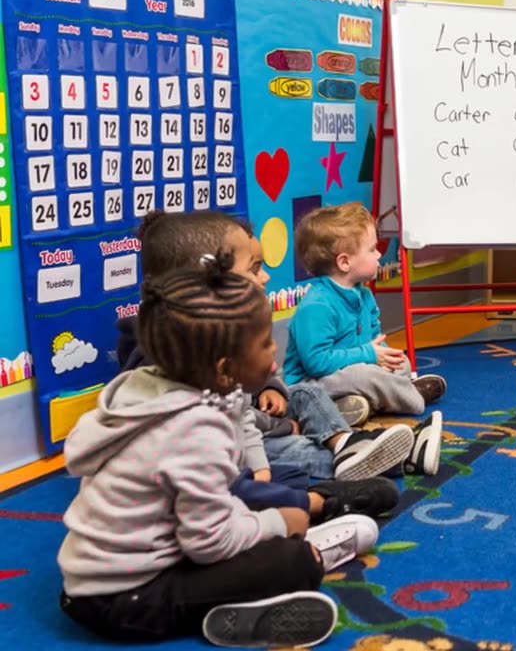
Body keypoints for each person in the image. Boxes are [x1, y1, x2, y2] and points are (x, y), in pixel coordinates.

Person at [58, 264, 379, 647]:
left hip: (97, 583)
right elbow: (208, 544)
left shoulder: (154, 387)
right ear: (225, 369)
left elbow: (206, 503)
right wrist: (276, 523)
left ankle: (283, 546)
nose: (274, 348)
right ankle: (232, 605)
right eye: (264, 342)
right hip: (127, 602)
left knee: (265, 516)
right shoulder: (195, 429)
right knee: (296, 564)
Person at [120, 210, 423, 485]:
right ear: (207, 276)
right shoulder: (165, 351)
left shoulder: (228, 324)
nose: (265, 277)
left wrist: (271, 388)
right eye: (253, 268)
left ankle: (348, 443)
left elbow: (258, 375)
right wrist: (281, 427)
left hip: (258, 418)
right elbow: (221, 426)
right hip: (230, 444)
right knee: (290, 450)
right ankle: (383, 458)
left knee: (307, 393)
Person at [285, 202, 445, 476]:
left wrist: (384, 356)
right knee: (364, 375)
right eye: (372, 249)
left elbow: (374, 340)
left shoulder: (364, 295)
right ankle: (411, 395)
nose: (380, 253)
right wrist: (371, 356)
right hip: (310, 384)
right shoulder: (317, 305)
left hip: (350, 372)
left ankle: (358, 405)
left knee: (400, 363)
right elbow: (317, 362)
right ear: (344, 261)